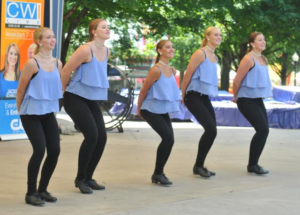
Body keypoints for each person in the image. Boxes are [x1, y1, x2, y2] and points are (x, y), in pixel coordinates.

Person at [61, 18, 110, 194]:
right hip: (75, 97)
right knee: (92, 136)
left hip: (91, 99)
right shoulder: (85, 49)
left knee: (102, 137)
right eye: (103, 27)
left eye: (108, 27)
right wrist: (60, 95)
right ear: (93, 31)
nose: (107, 29)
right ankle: (80, 178)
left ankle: (88, 178)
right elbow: (66, 70)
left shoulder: (106, 51)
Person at [16, 27, 63, 206]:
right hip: (30, 113)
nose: (52, 40)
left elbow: (55, 89)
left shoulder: (58, 63)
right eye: (48, 37)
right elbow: (21, 89)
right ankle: (30, 192)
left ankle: (42, 190)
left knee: (55, 150)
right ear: (39, 41)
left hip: (47, 112)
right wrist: (21, 110)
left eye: (53, 36)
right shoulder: (32, 63)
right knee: (39, 149)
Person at [137, 40, 181, 185]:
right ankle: (158, 173)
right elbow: (144, 90)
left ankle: (158, 173)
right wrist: (139, 109)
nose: (171, 49)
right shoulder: (156, 70)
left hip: (162, 110)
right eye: (168, 47)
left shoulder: (173, 70)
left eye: (172, 47)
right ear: (159, 51)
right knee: (167, 138)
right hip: (150, 109)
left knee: (170, 140)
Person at [181, 26, 222, 178]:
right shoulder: (200, 53)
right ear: (208, 37)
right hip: (192, 95)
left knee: (213, 131)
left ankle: (199, 165)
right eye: (216, 35)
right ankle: (198, 166)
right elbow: (187, 75)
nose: (219, 37)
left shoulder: (215, 57)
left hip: (204, 97)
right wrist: (183, 95)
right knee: (210, 129)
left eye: (220, 35)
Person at [232, 32, 272, 175]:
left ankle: (253, 164)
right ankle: (252, 165)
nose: (263, 42)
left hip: (257, 99)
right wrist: (236, 97)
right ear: (252, 44)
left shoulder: (263, 59)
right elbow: (237, 80)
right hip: (245, 99)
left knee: (264, 130)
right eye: (259, 40)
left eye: (264, 39)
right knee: (262, 129)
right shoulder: (248, 59)